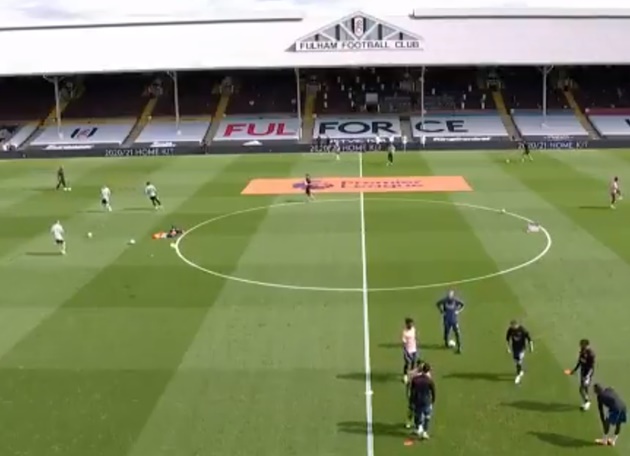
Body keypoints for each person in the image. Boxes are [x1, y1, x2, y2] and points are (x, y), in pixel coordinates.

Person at [564, 338, 596, 410]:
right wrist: (574, 370)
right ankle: (586, 401)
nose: (580, 346)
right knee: (584, 388)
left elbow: (591, 367)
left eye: (582, 345)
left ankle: (587, 402)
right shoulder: (582, 351)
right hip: (583, 371)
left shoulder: (591, 354)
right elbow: (579, 362)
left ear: (586, 345)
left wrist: (587, 377)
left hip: (588, 373)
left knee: (581, 389)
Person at [409, 363, 435, 440]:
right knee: (427, 416)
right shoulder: (429, 380)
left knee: (417, 415)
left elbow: (412, 392)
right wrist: (433, 400)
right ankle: (424, 432)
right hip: (426, 401)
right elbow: (433, 392)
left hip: (417, 400)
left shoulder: (415, 379)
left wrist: (411, 401)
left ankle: (418, 429)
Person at [505, 320, 534, 384]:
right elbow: (507, 339)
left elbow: (529, 338)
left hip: (521, 348)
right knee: (516, 361)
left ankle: (518, 375)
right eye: (511, 326)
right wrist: (508, 348)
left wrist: (531, 347)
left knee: (518, 361)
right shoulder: (510, 330)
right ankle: (520, 370)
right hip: (514, 348)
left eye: (513, 326)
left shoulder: (522, 330)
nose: (512, 327)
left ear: (516, 325)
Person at [402, 318, 418, 384]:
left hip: (414, 349)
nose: (411, 324)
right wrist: (406, 352)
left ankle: (412, 375)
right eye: (410, 323)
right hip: (408, 350)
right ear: (407, 324)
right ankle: (405, 375)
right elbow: (404, 343)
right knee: (407, 363)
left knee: (413, 362)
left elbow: (415, 338)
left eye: (412, 323)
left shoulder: (413, 329)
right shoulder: (405, 332)